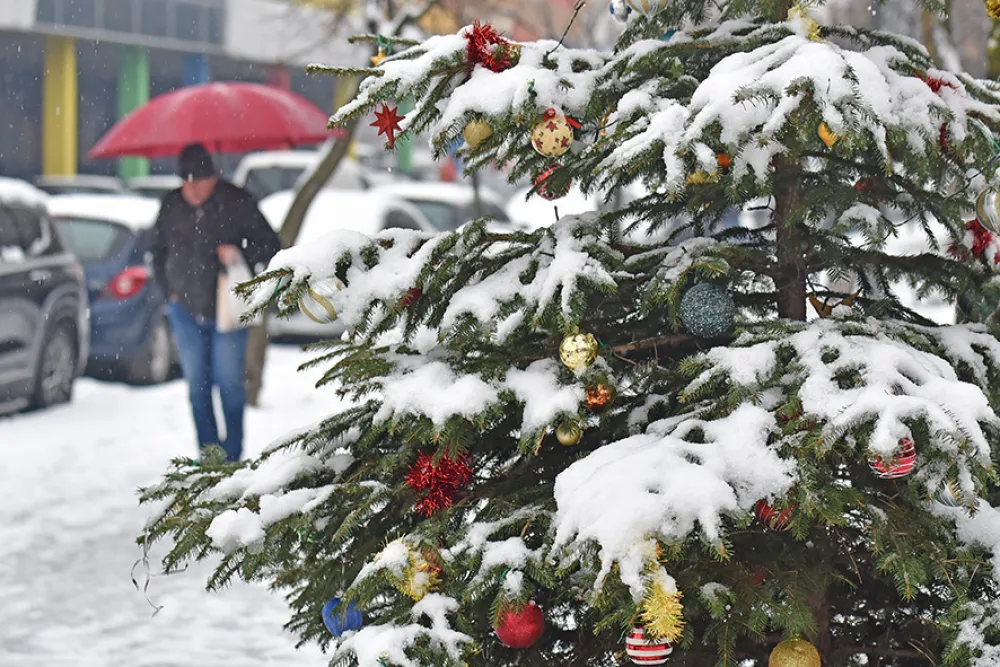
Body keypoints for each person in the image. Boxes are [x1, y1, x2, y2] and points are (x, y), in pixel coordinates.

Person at [152, 143, 281, 462]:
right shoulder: (171, 204)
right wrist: (168, 290)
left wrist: (239, 252)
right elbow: (156, 250)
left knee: (229, 384)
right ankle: (209, 456)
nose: (192, 190)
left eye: (199, 182)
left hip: (228, 310)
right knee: (197, 386)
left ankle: (233, 455)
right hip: (184, 309)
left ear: (213, 177)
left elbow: (270, 244)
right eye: (186, 182)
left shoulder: (237, 201)